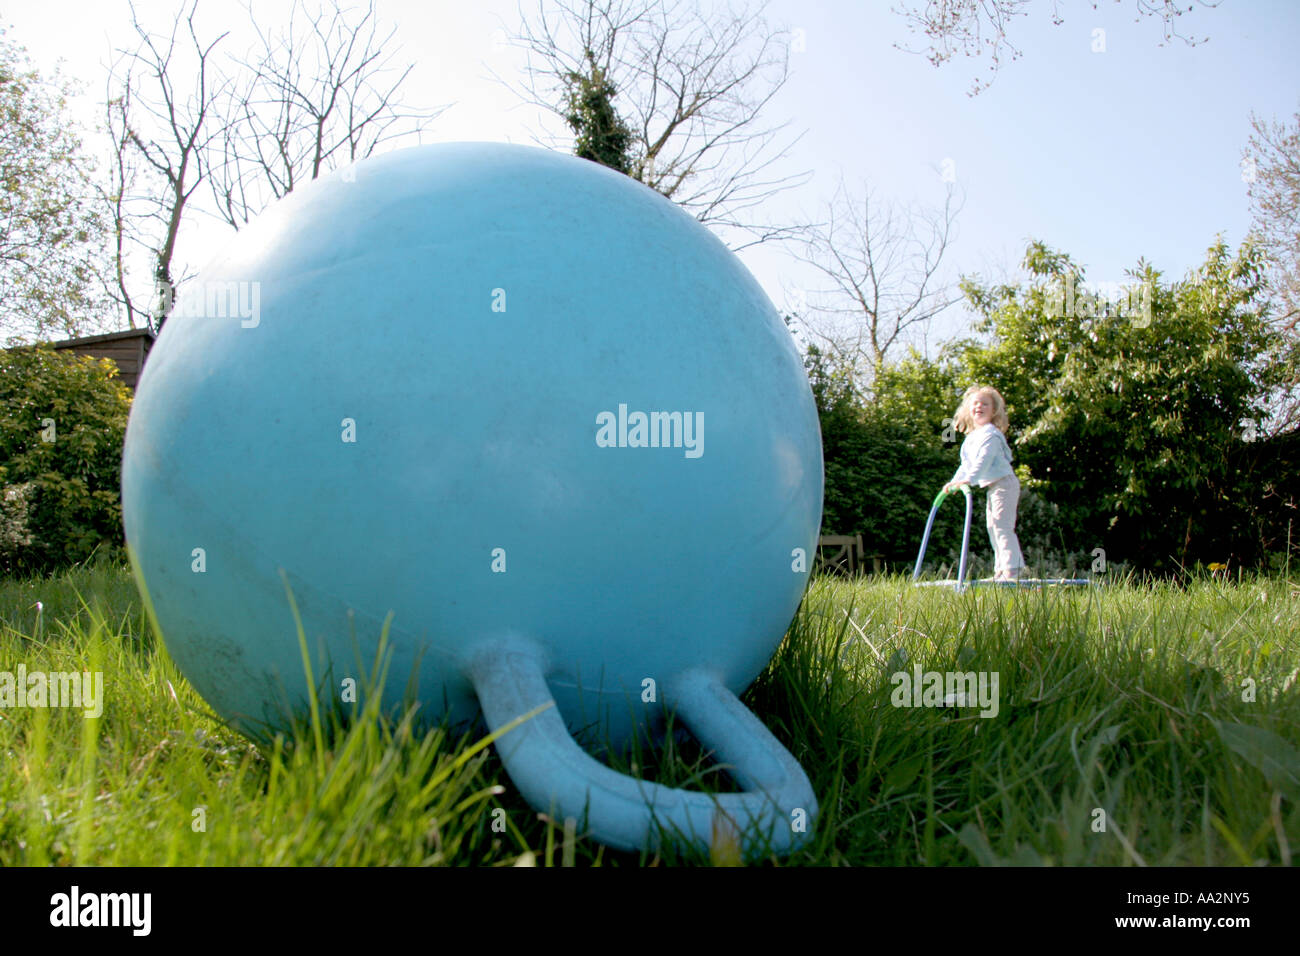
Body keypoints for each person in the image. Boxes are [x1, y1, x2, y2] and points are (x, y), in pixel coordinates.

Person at [942, 386, 1024, 581]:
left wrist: (968, 479)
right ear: (968, 409)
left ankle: (1012, 569)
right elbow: (966, 465)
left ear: (993, 410)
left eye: (985, 404)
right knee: (992, 526)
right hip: (993, 486)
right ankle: (1001, 570)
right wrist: (954, 482)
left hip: (1005, 484)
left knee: (1002, 526)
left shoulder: (991, 434)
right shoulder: (972, 438)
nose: (979, 407)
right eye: (975, 403)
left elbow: (983, 460)